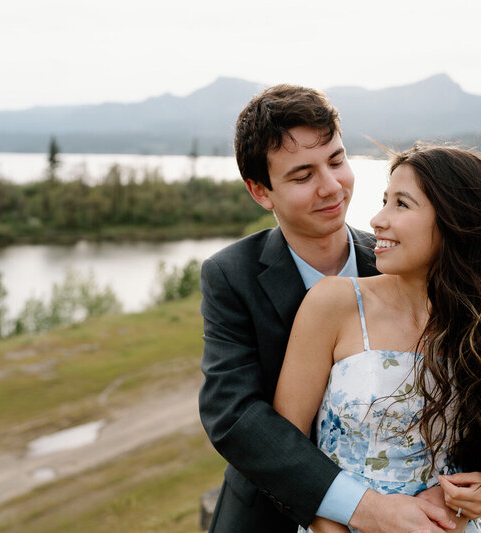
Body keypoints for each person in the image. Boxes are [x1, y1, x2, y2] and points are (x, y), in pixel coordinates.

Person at [199, 85, 462, 533]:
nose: (331, 186)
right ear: (261, 192)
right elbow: (234, 415)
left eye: (337, 160)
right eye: (302, 176)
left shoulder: (398, 256)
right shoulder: (230, 274)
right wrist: (361, 509)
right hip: (268, 513)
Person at [274, 144, 481, 532]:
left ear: (455, 220)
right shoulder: (334, 302)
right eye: (385, 200)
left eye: (401, 204)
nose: (377, 219)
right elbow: (286, 453)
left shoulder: (480, 322)